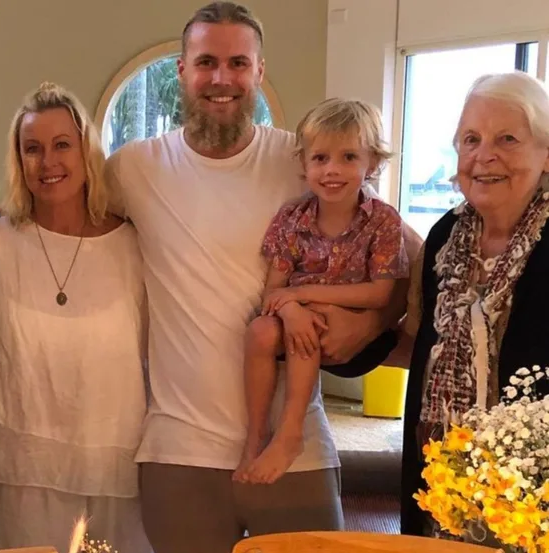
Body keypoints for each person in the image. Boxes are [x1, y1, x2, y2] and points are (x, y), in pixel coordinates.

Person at [105, 3, 420, 552]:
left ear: (259, 71)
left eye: (237, 63)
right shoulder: (133, 169)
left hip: (295, 448)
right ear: (181, 70)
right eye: (206, 62)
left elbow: (408, 263)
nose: (221, 79)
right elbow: (63, 220)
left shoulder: (306, 159)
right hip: (179, 447)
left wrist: (372, 322)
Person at [0, 82, 151, 553]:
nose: (48, 163)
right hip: (24, 470)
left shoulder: (134, 247)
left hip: (118, 466)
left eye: (62, 145)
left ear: (86, 152)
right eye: (33, 149)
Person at [400, 71, 549, 537]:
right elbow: (417, 342)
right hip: (435, 478)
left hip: (531, 499)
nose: (484, 155)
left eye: (508, 138)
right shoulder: (445, 236)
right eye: (471, 139)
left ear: (546, 154)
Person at [233, 98, 408, 485]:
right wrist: (291, 309)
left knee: (313, 319)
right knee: (260, 330)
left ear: (373, 164)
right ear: (304, 164)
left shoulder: (382, 221)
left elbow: (380, 295)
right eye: (320, 158)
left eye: (348, 157)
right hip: (297, 318)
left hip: (357, 329)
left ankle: (291, 432)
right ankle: (255, 438)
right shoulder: (292, 219)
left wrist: (304, 295)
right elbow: (273, 295)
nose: (332, 170)